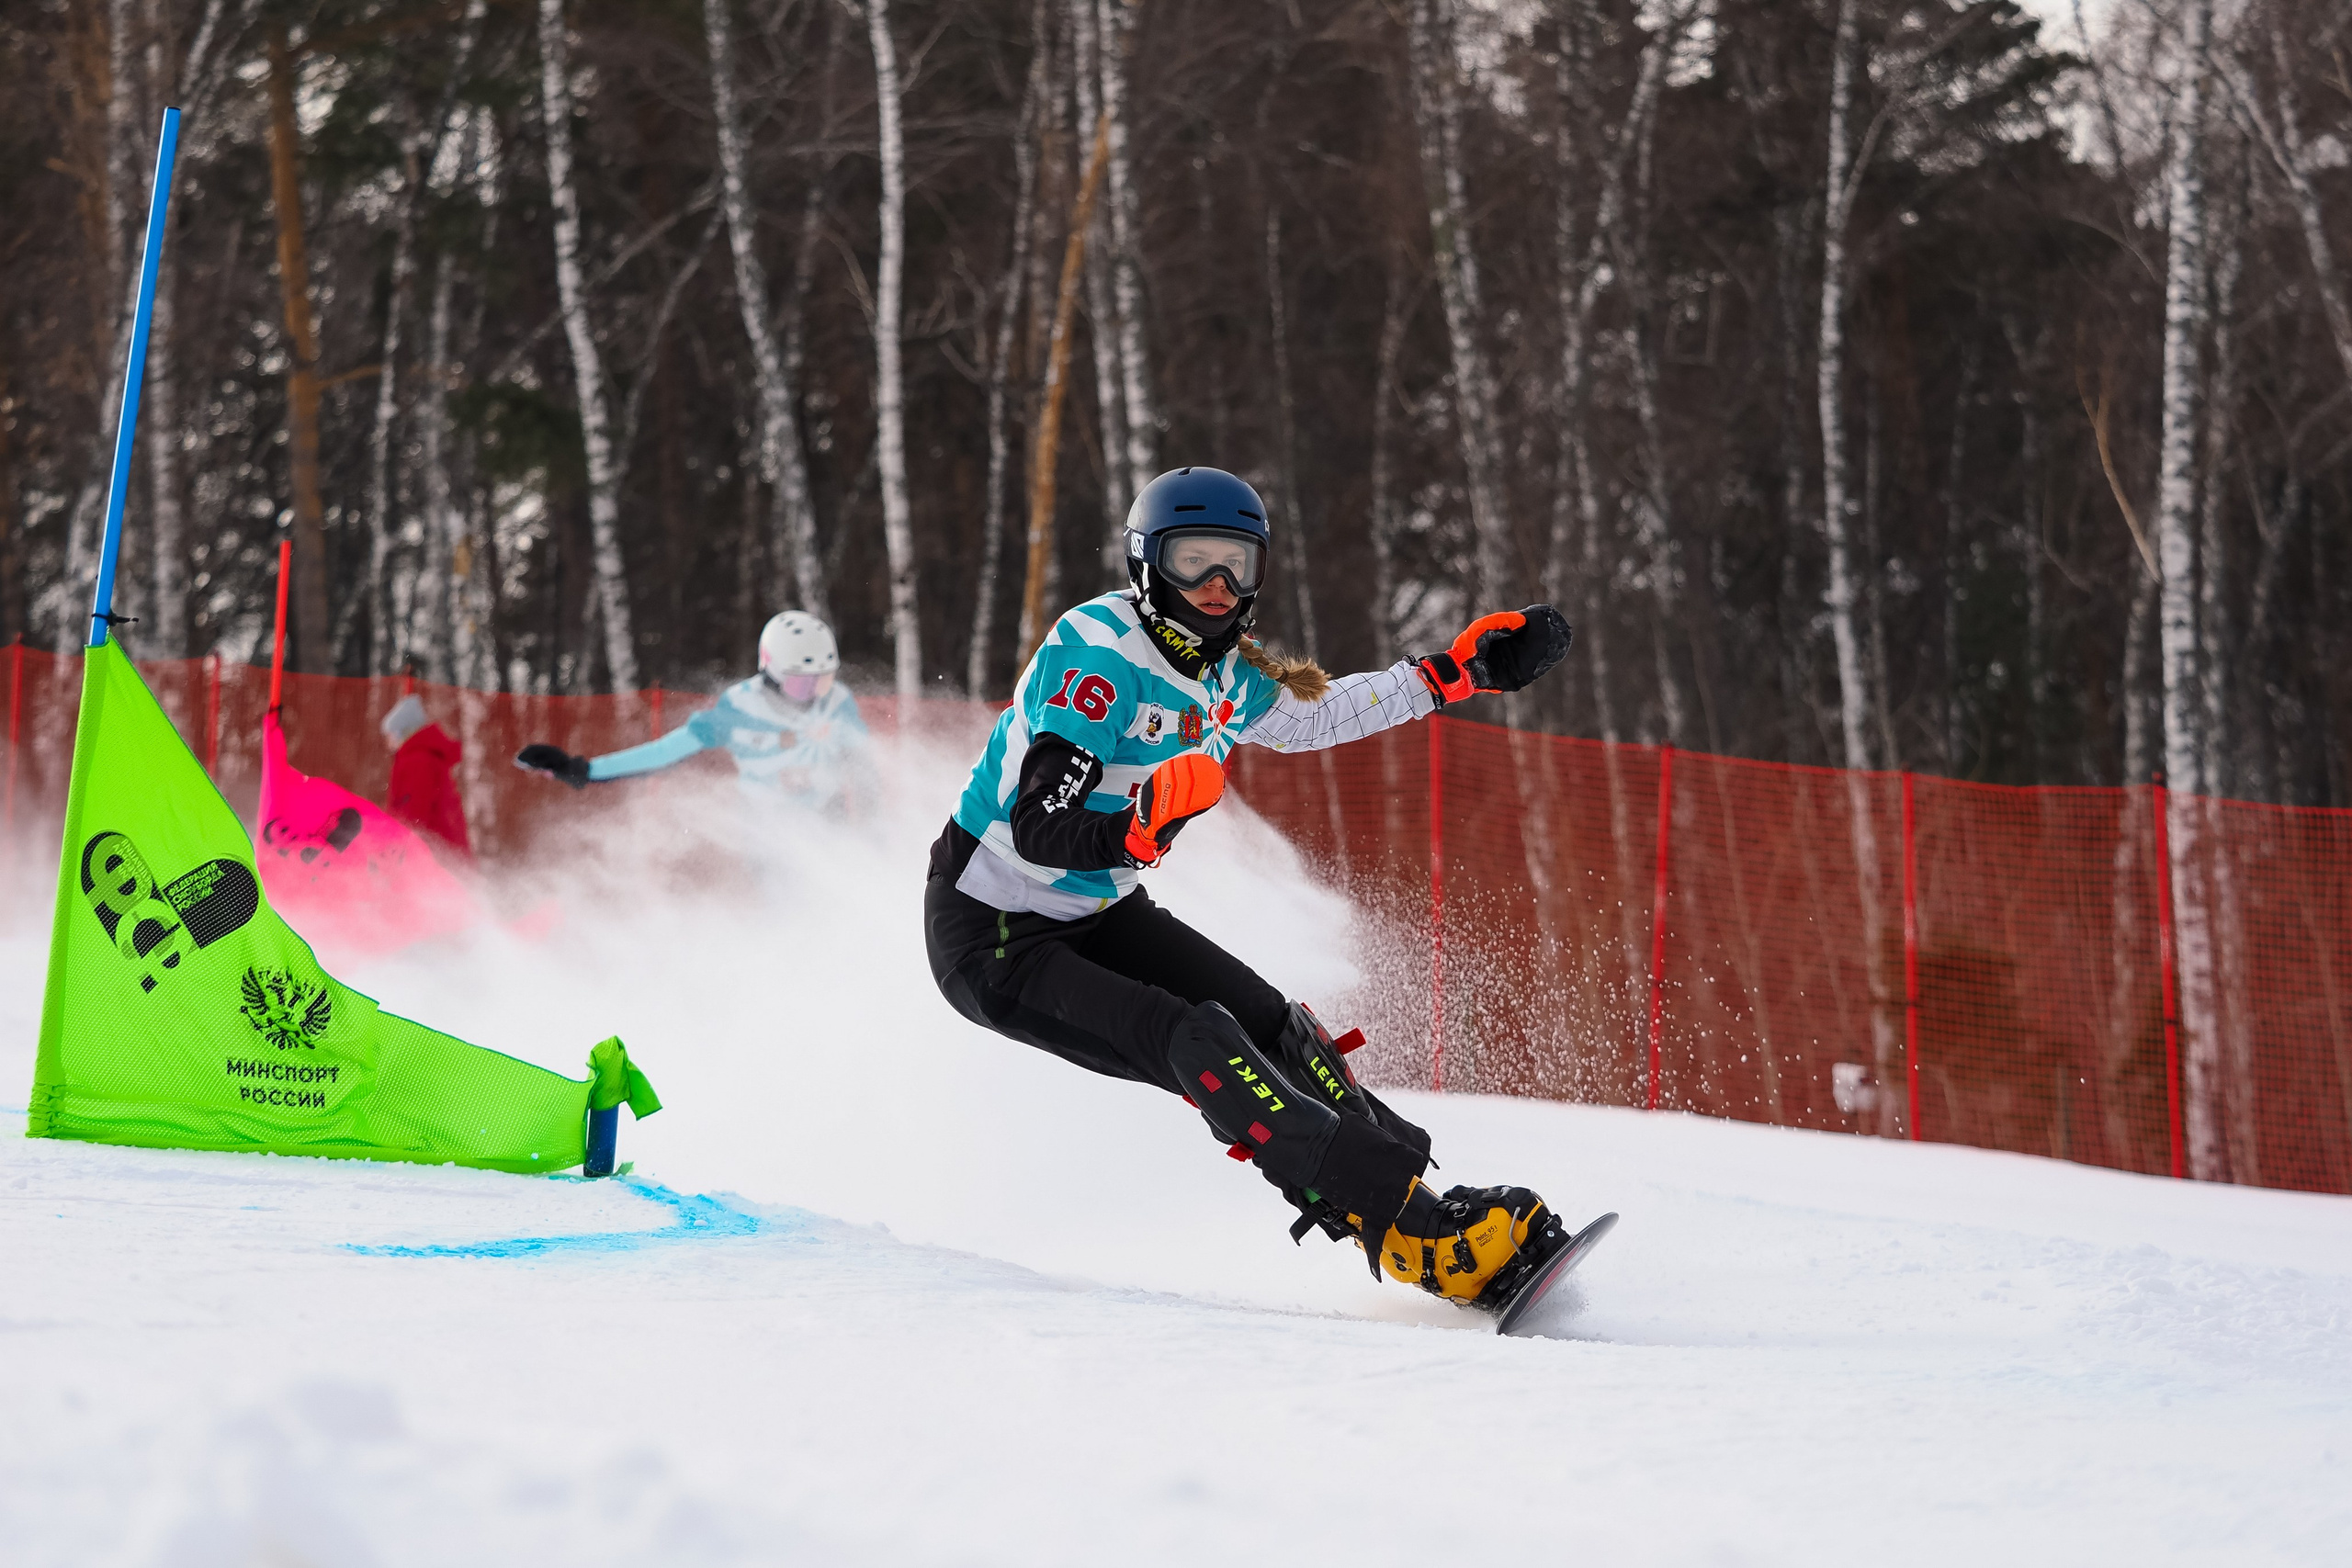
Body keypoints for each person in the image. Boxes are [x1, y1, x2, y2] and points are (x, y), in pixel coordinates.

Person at [923, 466, 1576, 1318]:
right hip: (996, 932)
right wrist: (1129, 832)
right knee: (1194, 1037)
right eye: (1195, 562)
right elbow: (1041, 821)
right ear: (1147, 564)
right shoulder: (1100, 656)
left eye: (1237, 564)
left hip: (1097, 910)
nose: (1218, 587)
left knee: (1275, 1024)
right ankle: (1409, 1226)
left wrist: (1452, 673)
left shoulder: (1226, 668)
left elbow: (1312, 717)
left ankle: (1418, 1209)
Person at [514, 612, 872, 814]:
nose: (811, 693)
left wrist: (879, 833)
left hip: (829, 821)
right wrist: (586, 771)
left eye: (821, 681)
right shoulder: (739, 708)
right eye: (799, 682)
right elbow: (665, 752)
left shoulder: (837, 701)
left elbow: (869, 768)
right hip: (772, 832)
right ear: (771, 669)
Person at [379, 693, 472, 858]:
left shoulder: (417, 760)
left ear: (404, 732)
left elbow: (414, 811)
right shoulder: (421, 756)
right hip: (445, 847)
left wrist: (401, 849)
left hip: (435, 853)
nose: (388, 742)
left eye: (390, 734)